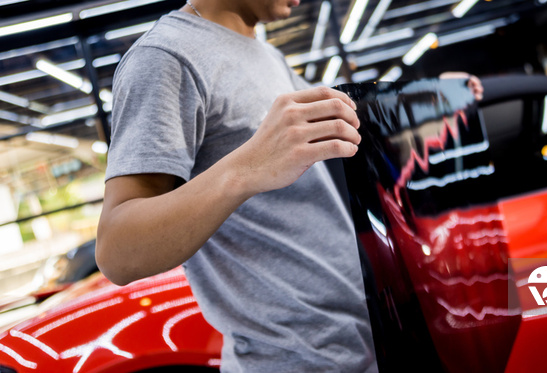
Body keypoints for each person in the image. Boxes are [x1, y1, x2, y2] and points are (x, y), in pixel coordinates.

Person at [96, 0, 482, 371]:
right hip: (298, 359)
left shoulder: (265, 54)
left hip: (361, 340)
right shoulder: (166, 57)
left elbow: (342, 131)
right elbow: (118, 249)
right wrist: (247, 166)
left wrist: (432, 98)